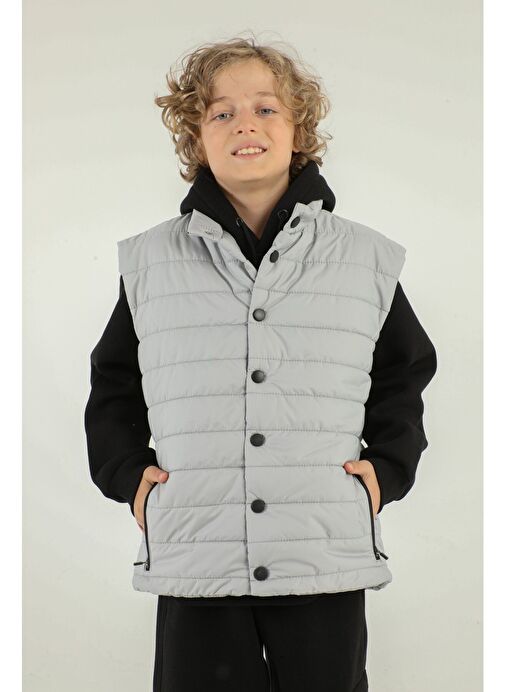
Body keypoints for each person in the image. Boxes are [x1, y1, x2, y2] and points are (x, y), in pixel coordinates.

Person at [84, 36, 437, 692]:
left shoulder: (365, 259)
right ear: (195, 138)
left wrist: (386, 471)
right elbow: (113, 384)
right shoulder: (149, 263)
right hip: (198, 550)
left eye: (265, 108)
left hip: (320, 550)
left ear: (298, 128)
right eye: (221, 112)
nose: (244, 123)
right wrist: (128, 475)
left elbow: (403, 374)